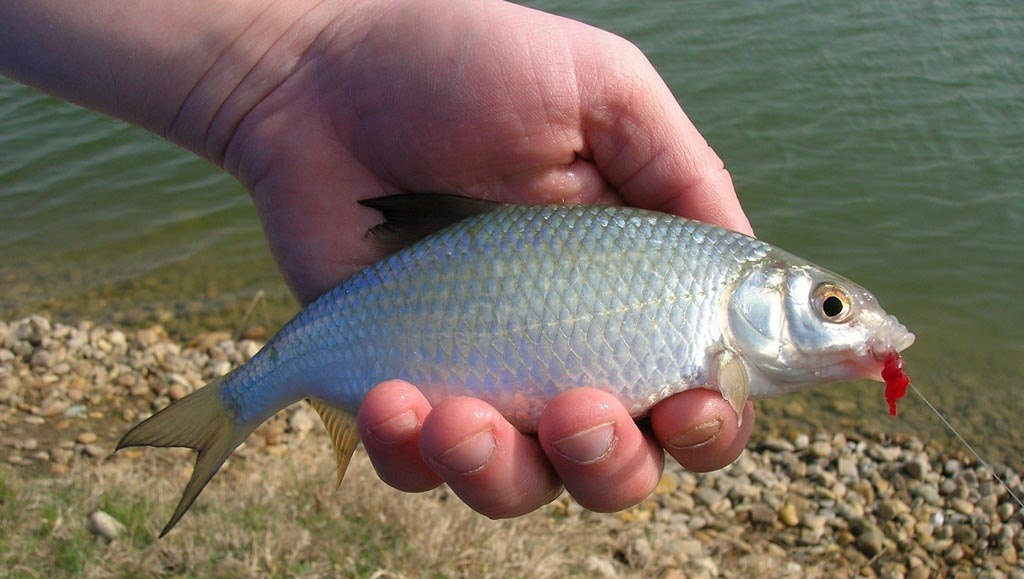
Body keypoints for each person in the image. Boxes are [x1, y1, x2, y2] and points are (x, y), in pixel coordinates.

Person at [1, 0, 755, 519]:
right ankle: (231, 405)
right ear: (754, 287)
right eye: (829, 308)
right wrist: (300, 57)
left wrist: (295, 60)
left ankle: (238, 405)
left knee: (500, 433)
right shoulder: (708, 270)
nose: (854, 331)